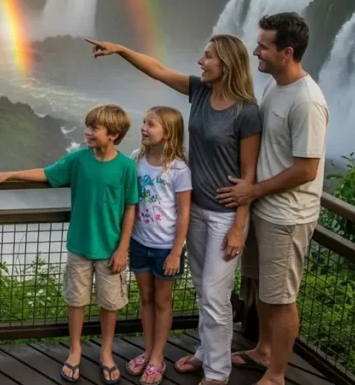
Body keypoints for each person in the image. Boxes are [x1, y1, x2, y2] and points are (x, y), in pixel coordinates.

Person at [86, 36, 261, 385]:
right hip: (195, 209)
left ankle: (217, 372)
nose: (200, 61)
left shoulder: (247, 111)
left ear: (226, 63)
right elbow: (159, 70)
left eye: (208, 56)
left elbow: (249, 173)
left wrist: (240, 224)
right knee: (202, 287)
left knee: (215, 293)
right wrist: (121, 50)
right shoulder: (200, 92)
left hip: (225, 214)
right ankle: (204, 353)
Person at [0, 104, 139, 384]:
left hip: (111, 249)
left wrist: (122, 249)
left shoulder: (126, 167)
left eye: (94, 128)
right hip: (79, 245)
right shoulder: (78, 159)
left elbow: (130, 208)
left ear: (113, 135)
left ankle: (106, 352)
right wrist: (10, 174)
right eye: (87, 126)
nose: (87, 132)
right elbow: (46, 172)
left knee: (110, 303)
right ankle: (75, 349)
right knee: (76, 300)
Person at [217, 12, 328, 385]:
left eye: (264, 47)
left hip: (287, 216)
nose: (255, 52)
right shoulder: (276, 86)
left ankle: (278, 373)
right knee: (263, 288)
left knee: (281, 297)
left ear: (287, 52)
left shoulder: (307, 102)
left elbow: (306, 169)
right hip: (265, 209)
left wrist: (253, 190)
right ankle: (263, 350)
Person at [125, 107, 192, 385]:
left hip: (166, 248)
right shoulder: (135, 159)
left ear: (169, 133)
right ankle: (148, 350)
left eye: (150, 124)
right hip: (139, 242)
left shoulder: (179, 169)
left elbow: (184, 213)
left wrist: (177, 251)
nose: (143, 127)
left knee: (163, 302)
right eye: (144, 122)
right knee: (146, 299)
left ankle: (158, 358)